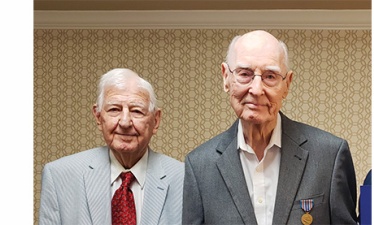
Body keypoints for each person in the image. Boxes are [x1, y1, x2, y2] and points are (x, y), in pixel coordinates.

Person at [182, 30, 357, 225]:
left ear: (287, 84)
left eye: (270, 76)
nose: (256, 90)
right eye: (245, 74)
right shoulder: (199, 166)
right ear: (226, 78)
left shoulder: (330, 156)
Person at [39, 68, 184, 225]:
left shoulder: (185, 179)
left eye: (136, 111)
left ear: (155, 120)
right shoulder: (59, 176)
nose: (125, 122)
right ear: (98, 116)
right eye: (114, 109)